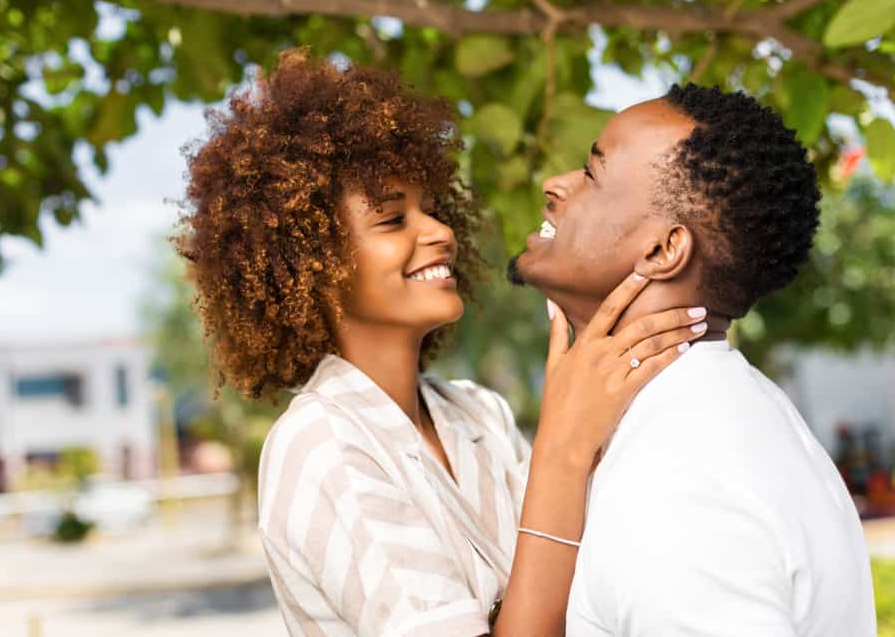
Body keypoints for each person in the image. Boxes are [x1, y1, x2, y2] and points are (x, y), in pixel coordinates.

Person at [174, 49, 708, 636]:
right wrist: (563, 444)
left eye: (430, 209)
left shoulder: (478, 412)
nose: (440, 232)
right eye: (391, 220)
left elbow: (590, 588)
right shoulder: (322, 448)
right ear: (312, 263)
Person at [509, 83, 876, 635]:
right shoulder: (718, 419)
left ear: (661, 251)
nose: (554, 185)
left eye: (592, 174)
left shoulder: (678, 481)